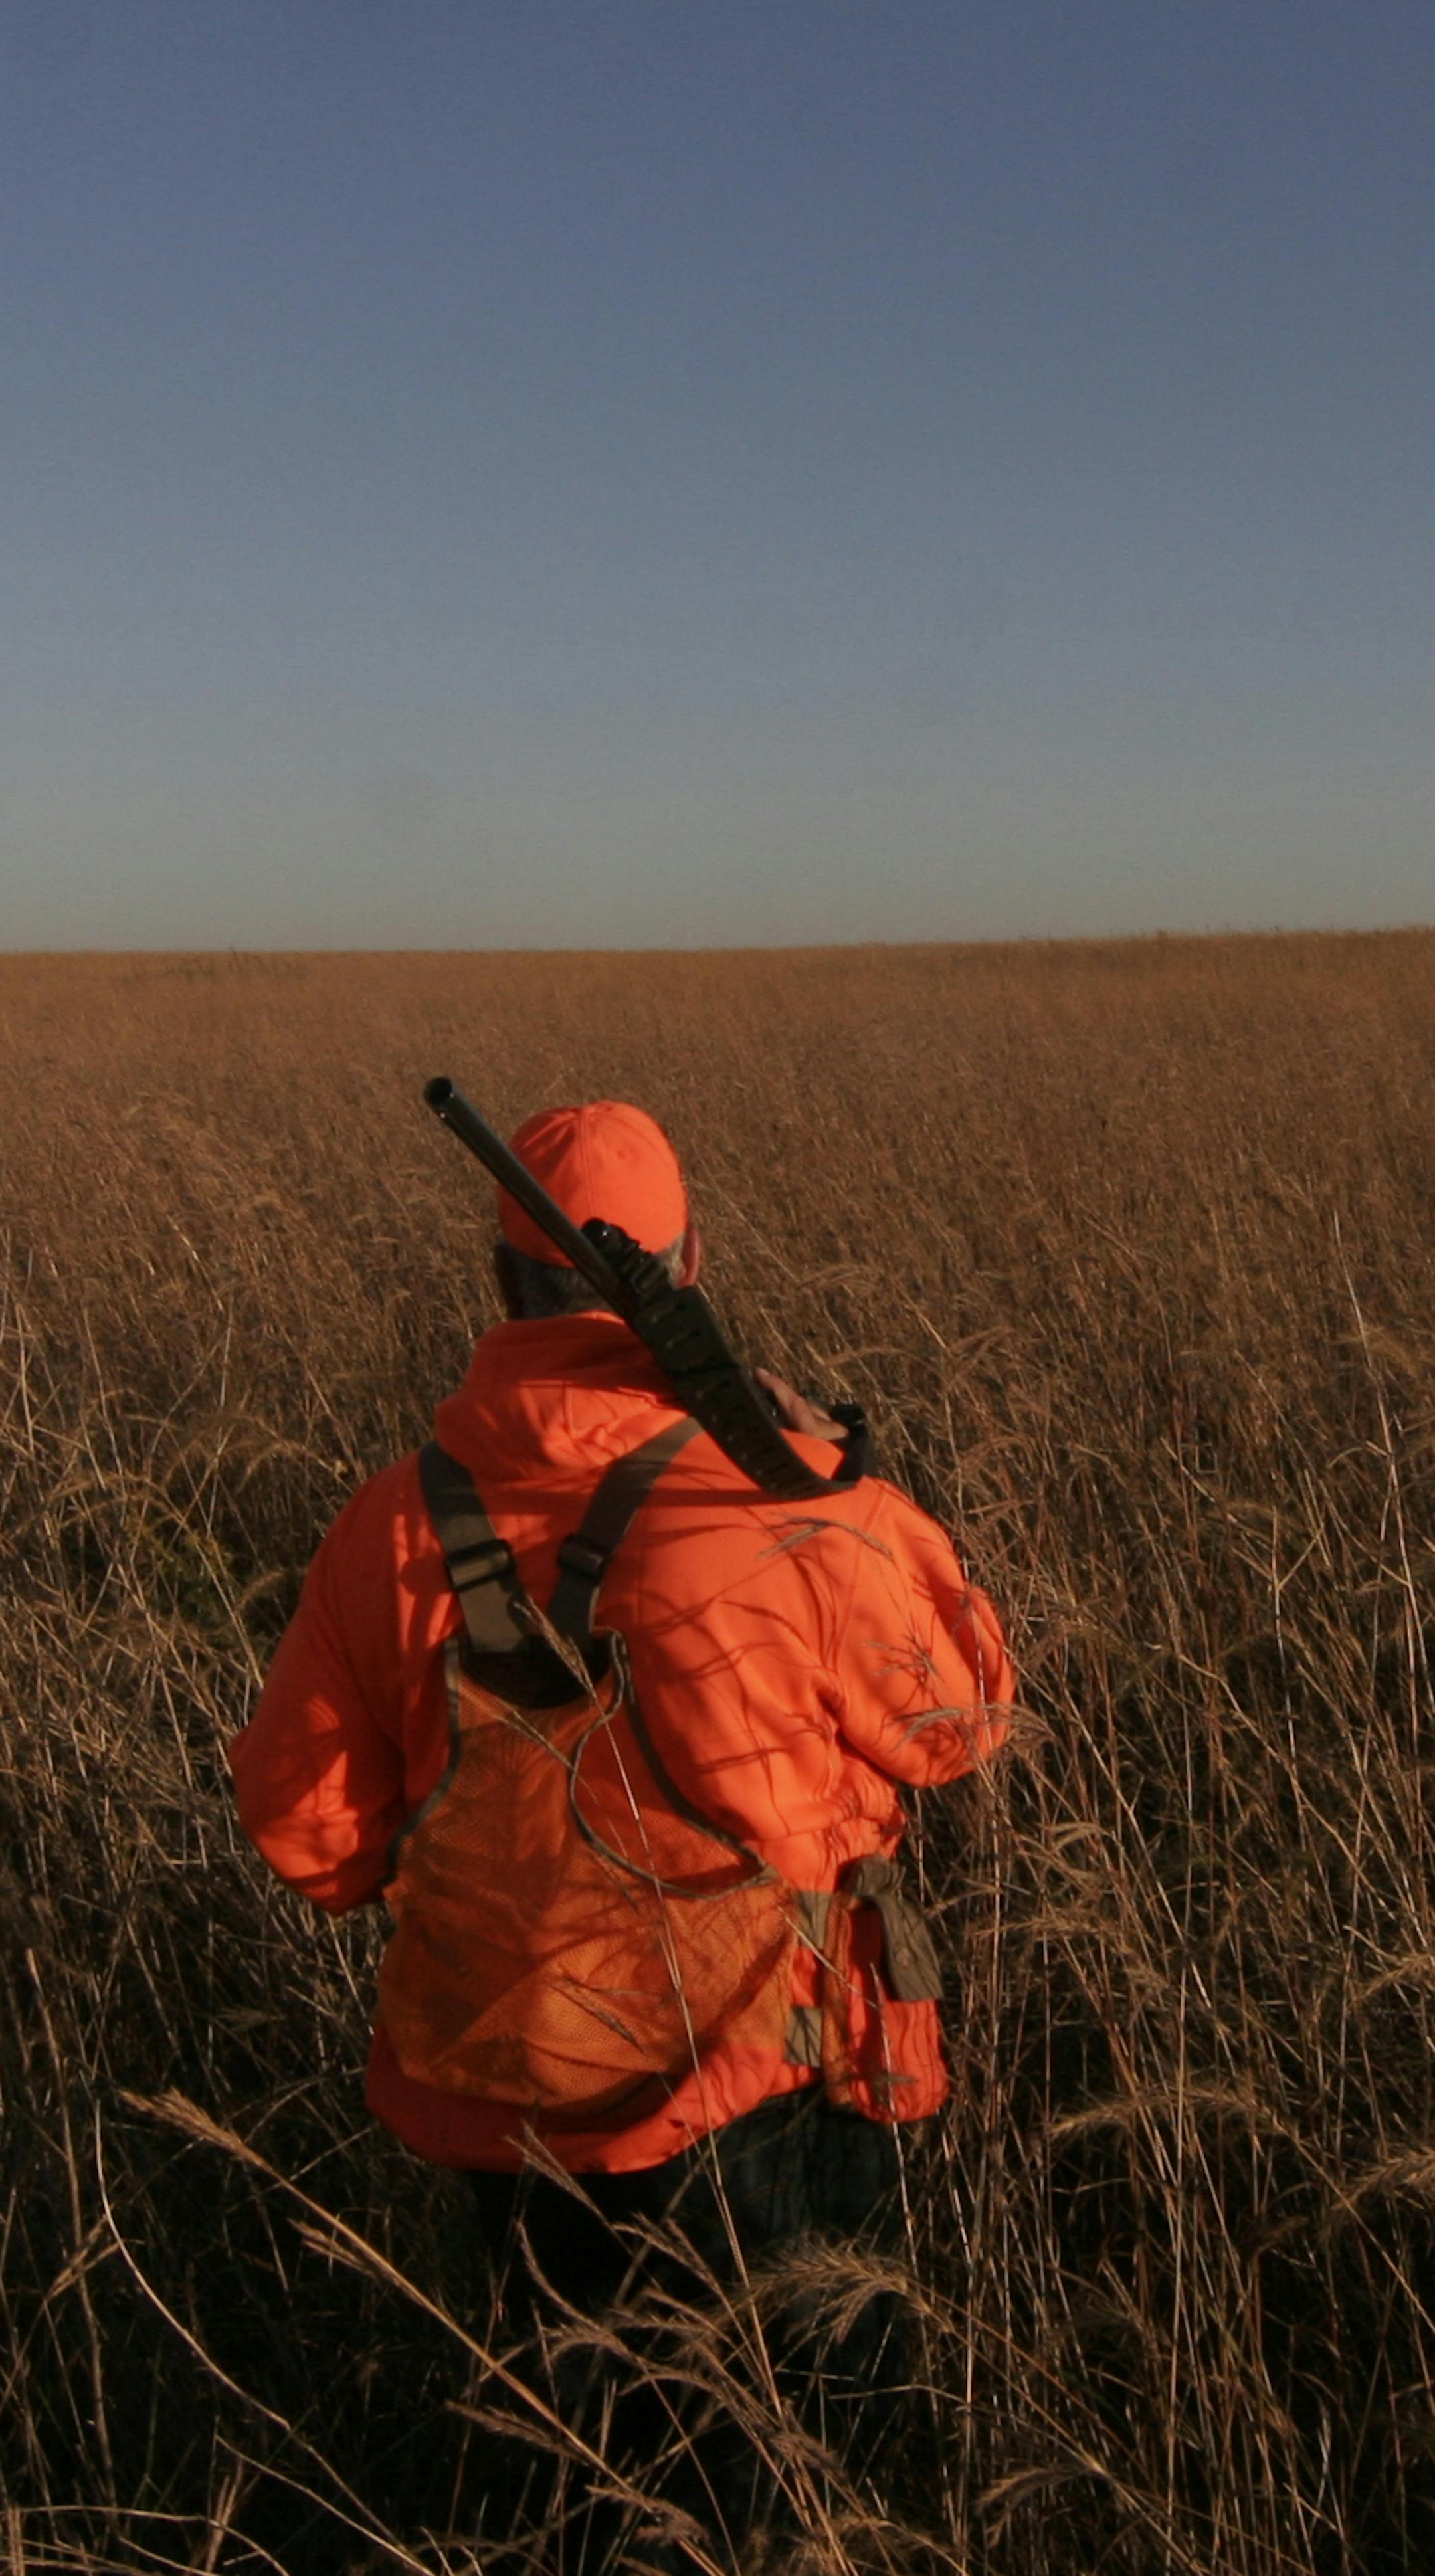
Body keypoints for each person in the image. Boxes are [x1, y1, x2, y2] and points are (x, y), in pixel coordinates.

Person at [230, 1099, 1014, 2571]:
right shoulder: (782, 1506)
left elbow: (306, 1837)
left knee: (576, 2489)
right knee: (791, 2501)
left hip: (511, 2112)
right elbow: (959, 1722)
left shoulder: (394, 1523)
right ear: (690, 1266)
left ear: (499, 1284)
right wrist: (847, 1490)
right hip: (762, 2099)